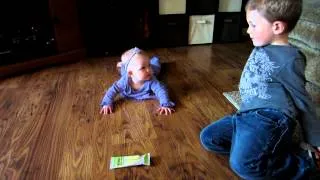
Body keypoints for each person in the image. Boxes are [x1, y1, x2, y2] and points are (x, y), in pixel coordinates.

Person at [199, 0, 319, 179]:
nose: (248, 30)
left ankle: (306, 163)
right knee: (209, 138)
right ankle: (270, 149)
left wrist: (315, 139)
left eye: (253, 25)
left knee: (243, 166)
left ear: (277, 27)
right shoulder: (264, 44)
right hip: (246, 113)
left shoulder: (291, 58)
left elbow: (302, 99)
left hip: (272, 117)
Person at [100, 47, 175, 115]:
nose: (148, 69)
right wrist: (107, 103)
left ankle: (155, 60)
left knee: (156, 67)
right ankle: (122, 65)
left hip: (153, 70)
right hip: (128, 73)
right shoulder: (124, 81)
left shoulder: (151, 78)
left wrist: (165, 104)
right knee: (123, 72)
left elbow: (161, 90)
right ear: (130, 73)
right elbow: (113, 90)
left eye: (148, 65)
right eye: (143, 68)